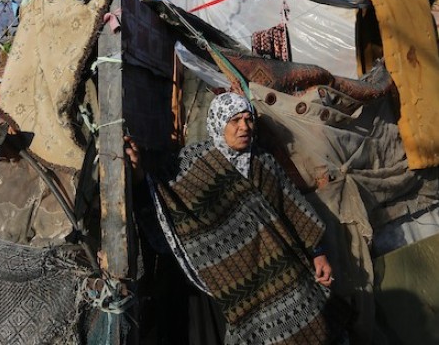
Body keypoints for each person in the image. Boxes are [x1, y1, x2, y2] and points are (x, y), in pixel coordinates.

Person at [125, 92, 349, 345]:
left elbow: (293, 209)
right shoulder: (192, 164)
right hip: (232, 281)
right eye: (235, 120)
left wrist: (318, 253)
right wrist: (138, 174)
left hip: (283, 271)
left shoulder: (263, 161)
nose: (244, 127)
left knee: (314, 327)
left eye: (248, 119)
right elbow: (163, 197)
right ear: (218, 122)